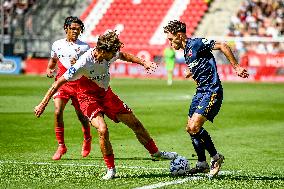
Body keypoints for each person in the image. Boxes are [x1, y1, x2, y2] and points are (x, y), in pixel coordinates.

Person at [34, 30, 178, 180]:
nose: (114, 55)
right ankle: (111, 169)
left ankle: (156, 153)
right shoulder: (83, 62)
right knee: (102, 129)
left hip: (107, 95)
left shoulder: (110, 53)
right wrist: (42, 104)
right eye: (111, 53)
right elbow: (58, 82)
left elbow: (123, 55)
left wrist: (144, 62)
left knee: (135, 124)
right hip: (87, 98)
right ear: (102, 51)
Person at [163, 20, 249, 177]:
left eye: (170, 39)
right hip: (200, 92)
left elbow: (223, 45)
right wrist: (191, 72)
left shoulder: (196, 43)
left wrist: (236, 66)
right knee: (190, 128)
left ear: (180, 35)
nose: (169, 43)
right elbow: (200, 64)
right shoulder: (187, 51)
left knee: (194, 127)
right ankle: (202, 163)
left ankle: (216, 158)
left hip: (212, 90)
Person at [46, 16, 92, 160]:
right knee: (58, 111)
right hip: (62, 83)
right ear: (66, 28)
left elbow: (89, 68)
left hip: (78, 85)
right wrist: (49, 68)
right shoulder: (57, 44)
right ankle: (61, 146)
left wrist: (78, 64)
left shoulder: (85, 47)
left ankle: (87, 138)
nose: (75, 31)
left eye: (78, 29)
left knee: (82, 117)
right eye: (73, 28)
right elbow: (54, 59)